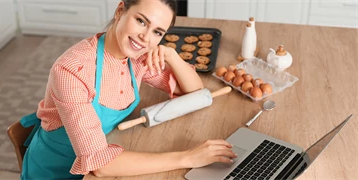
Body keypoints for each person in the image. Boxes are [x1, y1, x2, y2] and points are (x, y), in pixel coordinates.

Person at [19, 0, 237, 179]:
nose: (145, 37)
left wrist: (171, 55)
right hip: (55, 170)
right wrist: (188, 158)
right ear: (120, 10)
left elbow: (195, 92)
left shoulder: (138, 58)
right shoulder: (72, 70)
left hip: (102, 153)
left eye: (157, 32)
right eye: (141, 21)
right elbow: (100, 165)